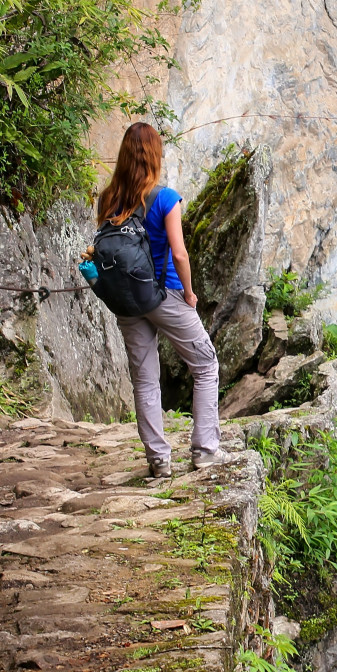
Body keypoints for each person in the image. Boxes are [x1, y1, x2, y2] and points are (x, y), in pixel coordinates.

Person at [95, 122, 232, 477]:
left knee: (144, 379)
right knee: (205, 365)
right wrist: (188, 293)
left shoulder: (108, 199)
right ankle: (204, 450)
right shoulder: (165, 198)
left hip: (127, 301)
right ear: (155, 157)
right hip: (164, 294)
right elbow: (180, 254)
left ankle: (158, 461)